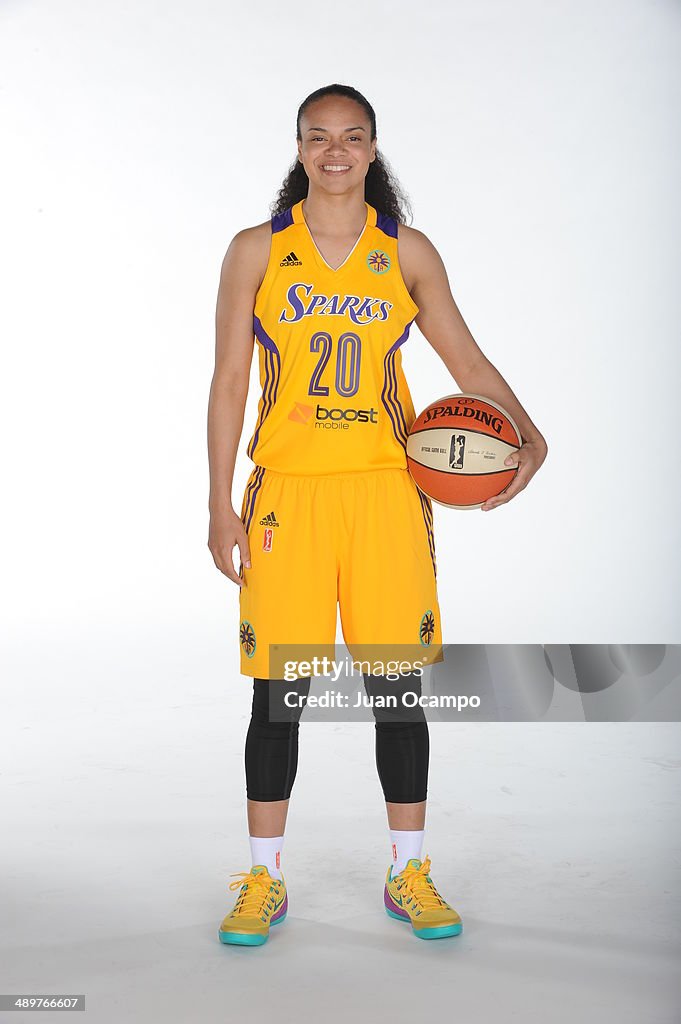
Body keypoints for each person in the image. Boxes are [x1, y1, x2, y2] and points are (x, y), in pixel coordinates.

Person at [207, 83, 547, 946]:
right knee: (278, 694)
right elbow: (228, 381)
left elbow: (462, 357)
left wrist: (527, 434)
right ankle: (263, 880)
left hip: (385, 497)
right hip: (287, 494)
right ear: (297, 147)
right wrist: (218, 500)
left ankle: (407, 871)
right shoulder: (255, 251)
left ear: (371, 149)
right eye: (318, 137)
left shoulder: (406, 252)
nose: (334, 151)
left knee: (394, 688)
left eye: (351, 137)